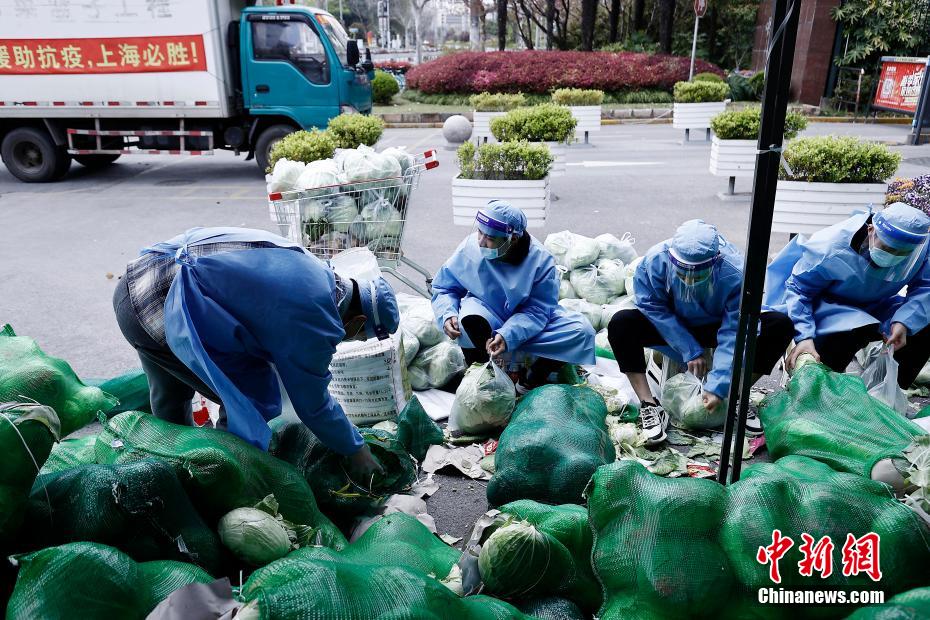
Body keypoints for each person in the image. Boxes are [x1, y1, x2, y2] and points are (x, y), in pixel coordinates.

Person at [113, 226, 398, 476]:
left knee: (171, 394)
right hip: (158, 307)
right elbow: (314, 405)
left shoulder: (317, 272)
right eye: (359, 336)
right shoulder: (318, 320)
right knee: (248, 401)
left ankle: (171, 464)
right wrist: (355, 449)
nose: (349, 340)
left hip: (137, 281)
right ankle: (220, 472)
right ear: (358, 321)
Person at [607, 220, 794, 445]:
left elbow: (734, 329)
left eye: (697, 275)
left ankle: (736, 396)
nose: (688, 279)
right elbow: (652, 306)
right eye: (682, 271)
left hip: (716, 325)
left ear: (716, 261)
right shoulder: (655, 261)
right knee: (621, 323)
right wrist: (689, 349)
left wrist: (719, 384)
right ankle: (649, 404)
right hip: (673, 326)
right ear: (672, 257)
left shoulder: (735, 272)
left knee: (779, 325)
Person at [431, 201, 595, 393]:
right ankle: (485, 378)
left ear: (513, 238)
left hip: (527, 323)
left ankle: (532, 378)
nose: (481, 242)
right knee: (465, 320)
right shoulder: (470, 248)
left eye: (490, 238)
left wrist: (508, 334)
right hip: (486, 314)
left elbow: (539, 310)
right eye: (480, 233)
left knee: (582, 331)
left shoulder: (541, 260)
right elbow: (444, 286)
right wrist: (447, 313)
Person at [765, 202, 930, 384]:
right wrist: (804, 336)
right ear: (871, 230)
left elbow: (926, 287)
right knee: (832, 358)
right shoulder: (831, 247)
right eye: (887, 248)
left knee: (922, 326)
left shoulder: (921, 248)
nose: (893, 256)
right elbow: (799, 290)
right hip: (828, 306)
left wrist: (904, 322)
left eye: (902, 253)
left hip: (878, 304)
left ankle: (889, 390)